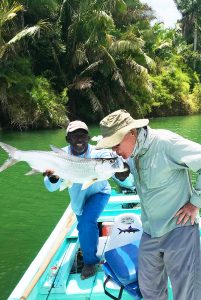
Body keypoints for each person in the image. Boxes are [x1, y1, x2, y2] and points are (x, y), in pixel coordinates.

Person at [96, 109, 201, 300]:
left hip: (179, 230)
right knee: (149, 289)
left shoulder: (166, 143)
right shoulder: (131, 154)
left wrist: (195, 202)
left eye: (116, 144)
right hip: (149, 231)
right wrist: (124, 175)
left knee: (187, 293)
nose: (114, 151)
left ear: (132, 133)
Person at [43, 120, 127, 280]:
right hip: (78, 201)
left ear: (88, 138)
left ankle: (90, 262)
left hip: (100, 193)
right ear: (68, 139)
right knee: (84, 226)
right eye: (75, 136)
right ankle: (89, 251)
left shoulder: (99, 153)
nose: (79, 139)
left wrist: (121, 171)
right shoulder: (60, 156)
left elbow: (114, 162)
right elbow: (50, 187)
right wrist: (54, 178)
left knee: (86, 222)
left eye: (82, 135)